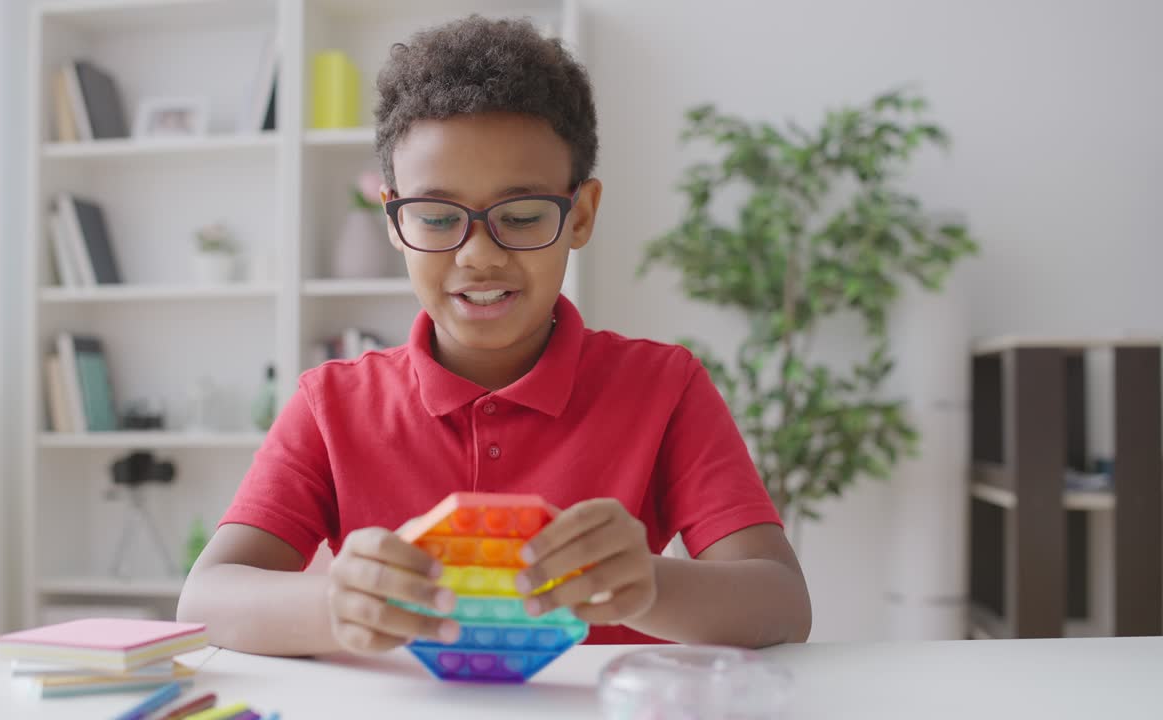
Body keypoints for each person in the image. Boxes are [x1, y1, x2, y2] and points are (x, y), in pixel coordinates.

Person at [178, 15, 811, 656]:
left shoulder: (664, 387)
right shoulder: (331, 403)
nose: (478, 255)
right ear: (395, 221)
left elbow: (782, 601)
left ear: (580, 214)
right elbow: (205, 599)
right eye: (435, 217)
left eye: (523, 215)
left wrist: (649, 584)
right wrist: (334, 601)